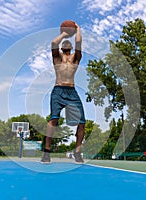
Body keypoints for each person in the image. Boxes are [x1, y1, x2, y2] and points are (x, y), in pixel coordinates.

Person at [41, 23, 85, 164]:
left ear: (71, 47)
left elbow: (78, 41)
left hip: (72, 91)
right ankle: (47, 152)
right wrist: (65, 34)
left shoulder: (75, 58)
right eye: (64, 42)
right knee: (53, 120)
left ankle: (77, 152)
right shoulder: (57, 58)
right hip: (58, 90)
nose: (66, 43)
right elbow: (54, 42)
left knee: (82, 121)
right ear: (61, 47)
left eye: (68, 42)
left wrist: (77, 29)